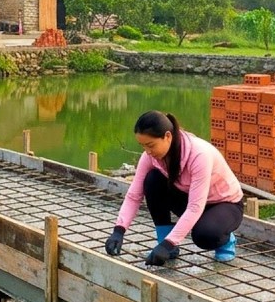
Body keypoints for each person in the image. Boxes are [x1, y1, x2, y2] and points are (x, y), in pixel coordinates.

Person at [104, 110, 244, 265]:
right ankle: (165, 238)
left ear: (168, 136)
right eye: (143, 146)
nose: (147, 152)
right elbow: (134, 195)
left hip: (223, 204)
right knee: (152, 181)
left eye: (151, 145)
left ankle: (225, 241)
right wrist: (119, 230)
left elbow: (195, 207)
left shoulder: (199, 155)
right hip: (190, 196)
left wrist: (168, 244)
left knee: (205, 235)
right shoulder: (150, 157)